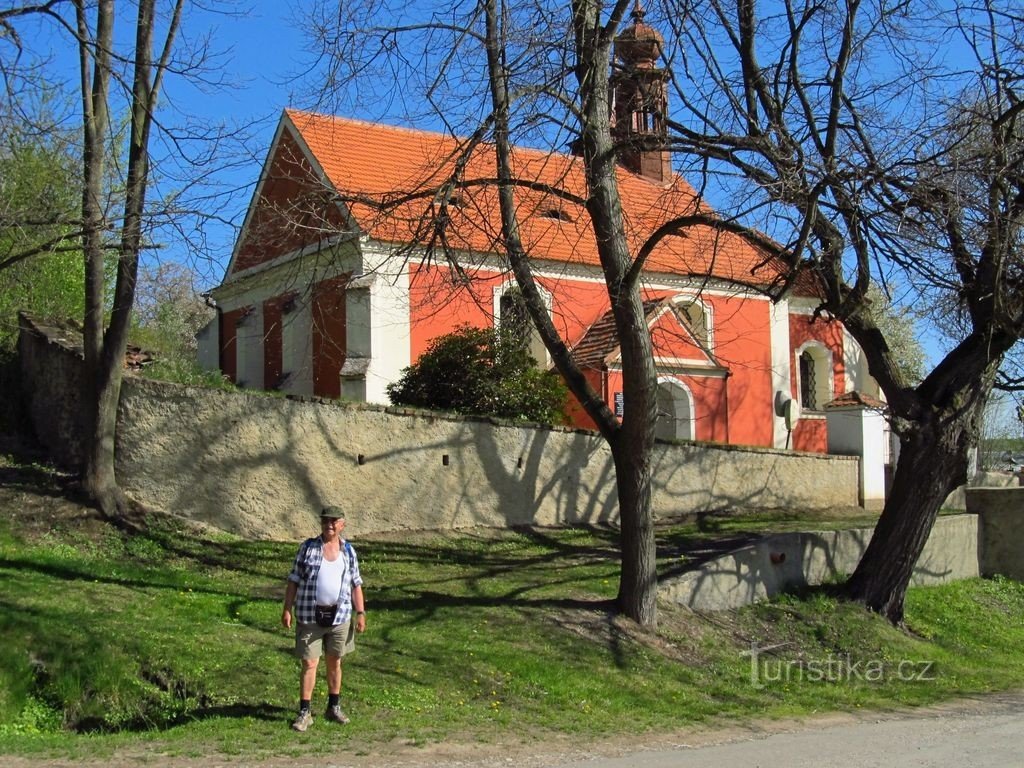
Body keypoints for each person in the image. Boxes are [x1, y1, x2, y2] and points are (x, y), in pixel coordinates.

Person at [282, 504, 366, 732]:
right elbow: (293, 580)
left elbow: (356, 584)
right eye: (325, 521)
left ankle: (333, 706)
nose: (329, 525)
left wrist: (361, 613)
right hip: (310, 616)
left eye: (333, 521)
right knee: (309, 663)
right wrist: (287, 608)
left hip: (340, 617)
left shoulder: (348, 551)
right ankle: (304, 712)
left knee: (334, 661)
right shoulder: (308, 548)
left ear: (342, 524)